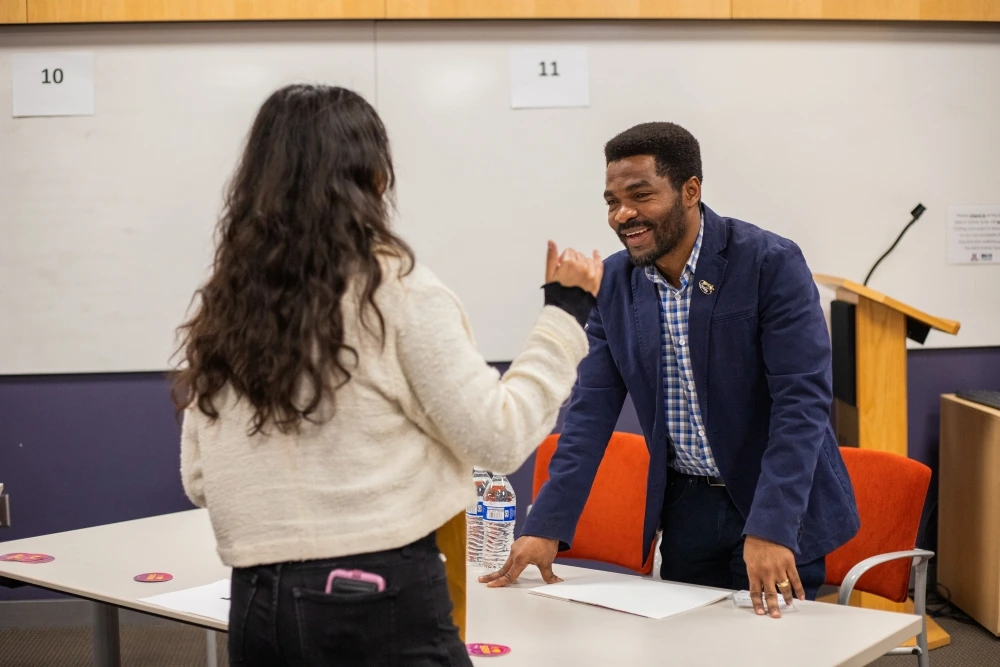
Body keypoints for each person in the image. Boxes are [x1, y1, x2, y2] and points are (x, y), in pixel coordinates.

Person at [173, 84, 603, 666]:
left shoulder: (225, 307)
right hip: (376, 597)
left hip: (256, 604)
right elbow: (499, 439)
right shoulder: (394, 291)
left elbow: (200, 479)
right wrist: (565, 314)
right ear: (374, 178)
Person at [481, 122, 860, 618]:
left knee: (774, 650)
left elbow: (802, 404)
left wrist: (770, 526)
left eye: (641, 196)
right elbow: (590, 411)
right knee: (688, 646)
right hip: (689, 508)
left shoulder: (770, 262)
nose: (623, 215)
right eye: (612, 201)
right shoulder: (615, 281)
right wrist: (545, 522)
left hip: (774, 499)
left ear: (691, 191)